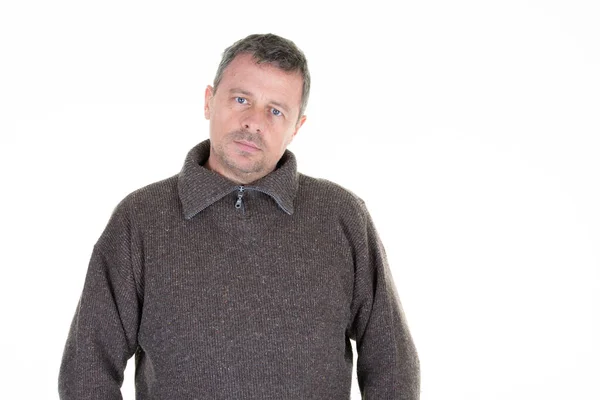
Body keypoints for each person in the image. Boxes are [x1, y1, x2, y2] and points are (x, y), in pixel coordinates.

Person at [58, 33, 420, 399]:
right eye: (241, 99)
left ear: (297, 127)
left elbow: (392, 364)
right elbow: (86, 371)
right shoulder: (139, 220)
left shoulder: (342, 217)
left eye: (275, 110)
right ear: (209, 101)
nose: (254, 121)